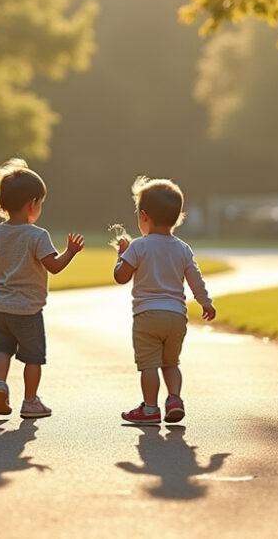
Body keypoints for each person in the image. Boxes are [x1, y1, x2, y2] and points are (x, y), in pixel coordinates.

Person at [0, 158, 85, 419]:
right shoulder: (38, 236)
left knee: (1, 348)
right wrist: (70, 252)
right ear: (32, 204)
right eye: (40, 202)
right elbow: (54, 266)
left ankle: (0, 385)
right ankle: (30, 401)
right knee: (33, 357)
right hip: (27, 310)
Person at [113, 177, 216, 425]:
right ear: (178, 217)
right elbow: (195, 279)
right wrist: (205, 302)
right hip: (176, 317)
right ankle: (174, 400)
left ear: (144, 216)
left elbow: (120, 277)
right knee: (171, 363)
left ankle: (150, 408)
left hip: (147, 315)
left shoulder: (138, 247)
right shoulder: (182, 248)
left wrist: (121, 257)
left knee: (149, 365)